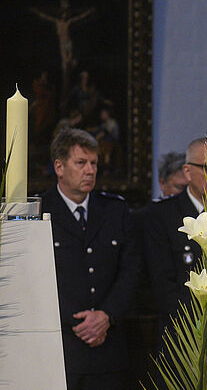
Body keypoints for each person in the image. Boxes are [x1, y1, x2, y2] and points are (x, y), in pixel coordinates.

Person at [41, 128, 139, 390]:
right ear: (59, 167)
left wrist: (106, 316)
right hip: (60, 348)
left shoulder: (115, 210)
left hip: (108, 350)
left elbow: (131, 271)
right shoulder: (40, 213)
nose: (90, 171)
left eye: (94, 163)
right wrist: (79, 323)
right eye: (81, 163)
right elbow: (36, 280)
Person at [139, 138, 207, 341]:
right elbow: (161, 282)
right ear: (187, 171)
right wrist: (197, 325)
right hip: (181, 333)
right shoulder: (162, 215)